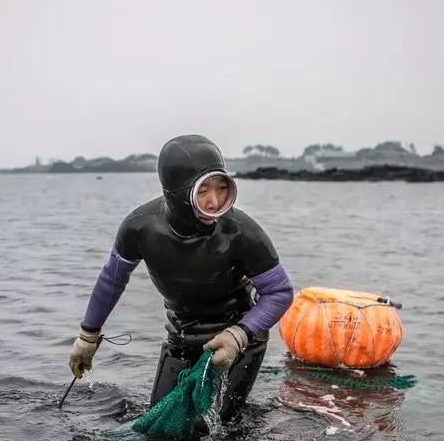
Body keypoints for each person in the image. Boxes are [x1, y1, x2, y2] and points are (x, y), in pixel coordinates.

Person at [68, 134, 294, 422]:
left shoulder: (242, 232)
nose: (215, 201)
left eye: (222, 187)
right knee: (160, 429)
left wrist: (238, 335)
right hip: (181, 337)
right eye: (203, 191)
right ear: (176, 192)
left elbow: (280, 292)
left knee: (217, 433)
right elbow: (112, 280)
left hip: (238, 340)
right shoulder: (139, 227)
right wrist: (88, 337)